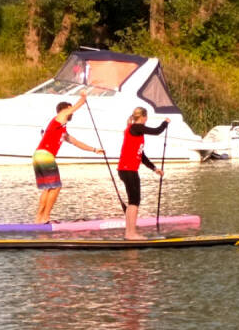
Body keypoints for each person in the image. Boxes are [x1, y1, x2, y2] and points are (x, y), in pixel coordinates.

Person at [33, 94, 104, 223]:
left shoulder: (61, 130)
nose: (72, 114)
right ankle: (45, 218)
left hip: (39, 155)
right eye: (69, 110)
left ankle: (39, 219)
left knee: (48, 187)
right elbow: (72, 109)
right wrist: (83, 98)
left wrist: (94, 150)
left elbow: (76, 143)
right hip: (45, 155)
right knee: (56, 186)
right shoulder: (59, 118)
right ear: (64, 110)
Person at [116, 107, 169, 240]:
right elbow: (157, 131)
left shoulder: (135, 131)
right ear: (144, 117)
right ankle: (131, 234)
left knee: (132, 201)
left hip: (126, 169)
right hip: (128, 170)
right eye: (147, 117)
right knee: (135, 201)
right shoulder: (136, 127)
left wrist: (154, 168)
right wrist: (165, 123)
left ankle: (129, 233)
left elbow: (142, 156)